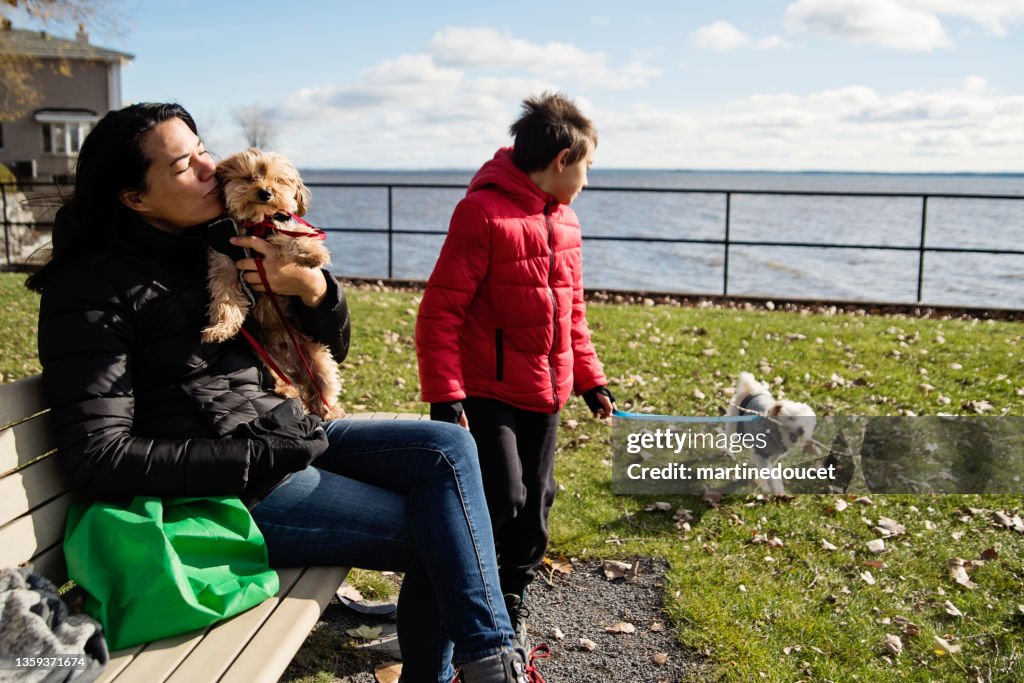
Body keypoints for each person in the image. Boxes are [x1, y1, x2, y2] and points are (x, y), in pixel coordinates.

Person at [27, 102, 545, 683]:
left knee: (448, 447)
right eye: (183, 164)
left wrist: (314, 289)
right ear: (134, 198)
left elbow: (333, 343)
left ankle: (486, 661)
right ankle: (487, 668)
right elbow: (100, 458)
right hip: (220, 491)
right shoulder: (90, 289)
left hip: (279, 433)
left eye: (202, 149)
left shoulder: (220, 239)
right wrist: (258, 457)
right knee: (446, 529)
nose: (209, 167)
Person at [416, 92, 615, 648]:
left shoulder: (567, 223)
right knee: (501, 498)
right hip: (487, 390)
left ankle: (511, 599)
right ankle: (456, 599)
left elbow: (572, 311)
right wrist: (444, 393)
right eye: (587, 167)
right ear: (562, 160)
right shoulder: (482, 213)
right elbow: (441, 310)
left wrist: (591, 378)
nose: (586, 179)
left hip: (546, 392)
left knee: (538, 503)